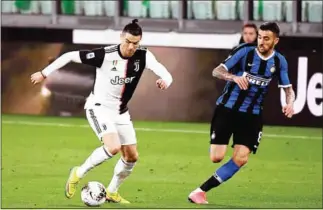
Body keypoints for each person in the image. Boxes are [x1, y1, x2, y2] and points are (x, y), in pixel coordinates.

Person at [30, 19, 173, 204]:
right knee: (113, 147)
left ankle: (112, 192)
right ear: (121, 37)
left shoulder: (144, 56)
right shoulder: (105, 55)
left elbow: (167, 74)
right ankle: (77, 172)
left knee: (131, 157)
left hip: (121, 112)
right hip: (98, 107)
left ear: (140, 41)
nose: (131, 47)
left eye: (135, 43)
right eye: (128, 41)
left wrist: (165, 82)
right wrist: (44, 73)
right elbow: (70, 56)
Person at [188, 22, 295, 204]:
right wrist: (234, 77)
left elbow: (288, 88)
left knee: (241, 158)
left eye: (266, 38)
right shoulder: (245, 51)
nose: (261, 41)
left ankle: (200, 192)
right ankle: (217, 140)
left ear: (276, 41)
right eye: (260, 37)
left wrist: (290, 103)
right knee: (216, 157)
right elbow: (217, 71)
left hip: (252, 115)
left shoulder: (279, 61)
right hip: (228, 109)